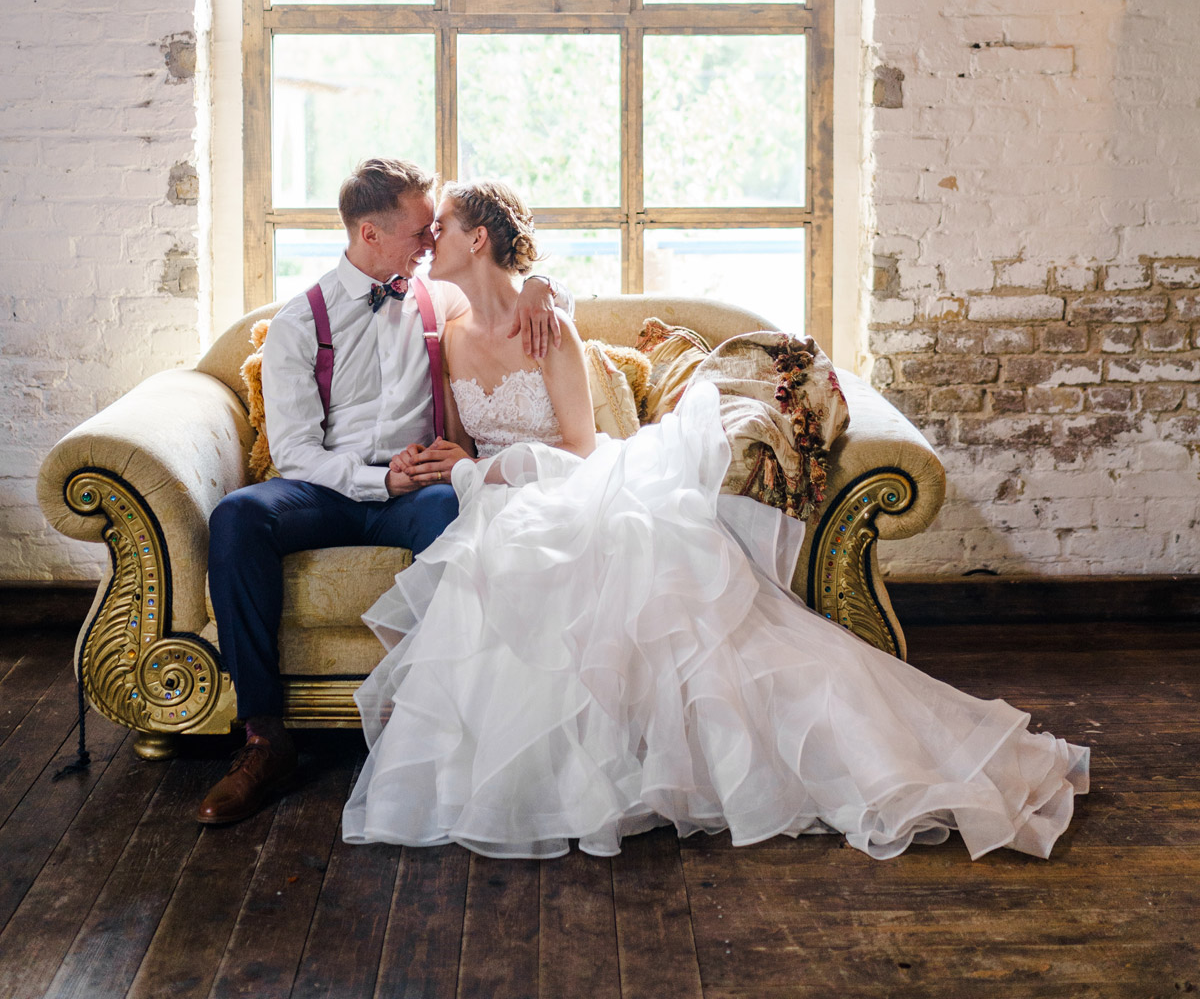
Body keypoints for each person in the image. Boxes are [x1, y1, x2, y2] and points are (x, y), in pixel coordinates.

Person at [343, 178, 1089, 862]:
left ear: (478, 238)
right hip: (505, 499)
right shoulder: (447, 330)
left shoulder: (551, 330)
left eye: (438, 226)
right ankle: (549, 779)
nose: (426, 238)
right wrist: (465, 462)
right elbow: (465, 438)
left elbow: (573, 447)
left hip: (573, 477)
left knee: (649, 577)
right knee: (501, 569)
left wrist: (486, 453)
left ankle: (853, 758)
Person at [197, 158, 574, 827]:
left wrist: (543, 282)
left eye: (437, 230)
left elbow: (508, 294)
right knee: (236, 517)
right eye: (420, 232)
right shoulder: (297, 324)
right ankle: (264, 738)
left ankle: (437, 728)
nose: (431, 243)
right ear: (370, 234)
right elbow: (294, 455)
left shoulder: (441, 298)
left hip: (417, 493)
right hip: (330, 492)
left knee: (455, 507)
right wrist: (379, 478)